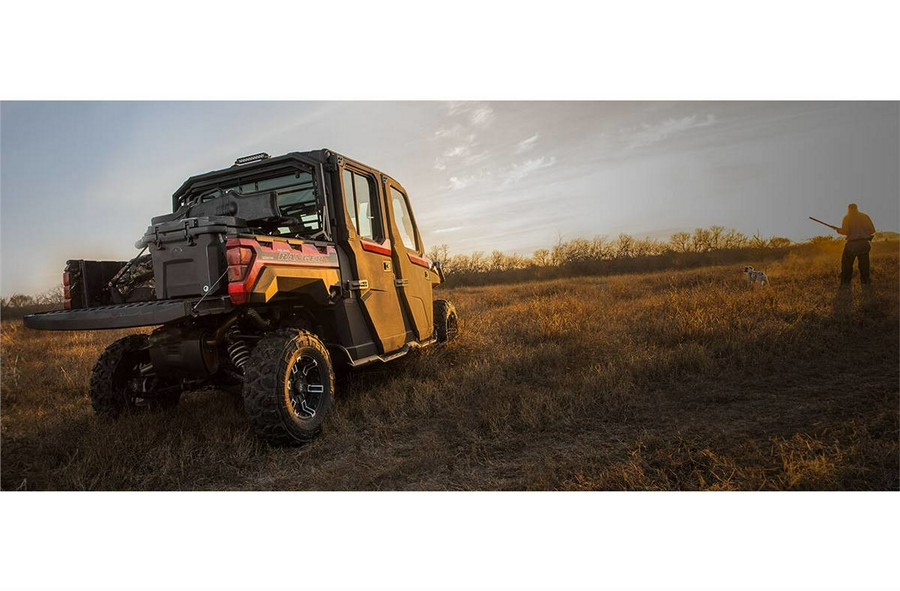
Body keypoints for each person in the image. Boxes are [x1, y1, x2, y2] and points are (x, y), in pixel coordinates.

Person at [835, 203, 876, 285]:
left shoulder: (847, 218)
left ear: (848, 209)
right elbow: (872, 231)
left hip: (852, 245)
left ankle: (845, 283)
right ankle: (865, 282)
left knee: (847, 265)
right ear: (857, 208)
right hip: (864, 244)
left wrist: (839, 230)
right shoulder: (865, 216)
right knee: (864, 265)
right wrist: (863, 232)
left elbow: (846, 232)